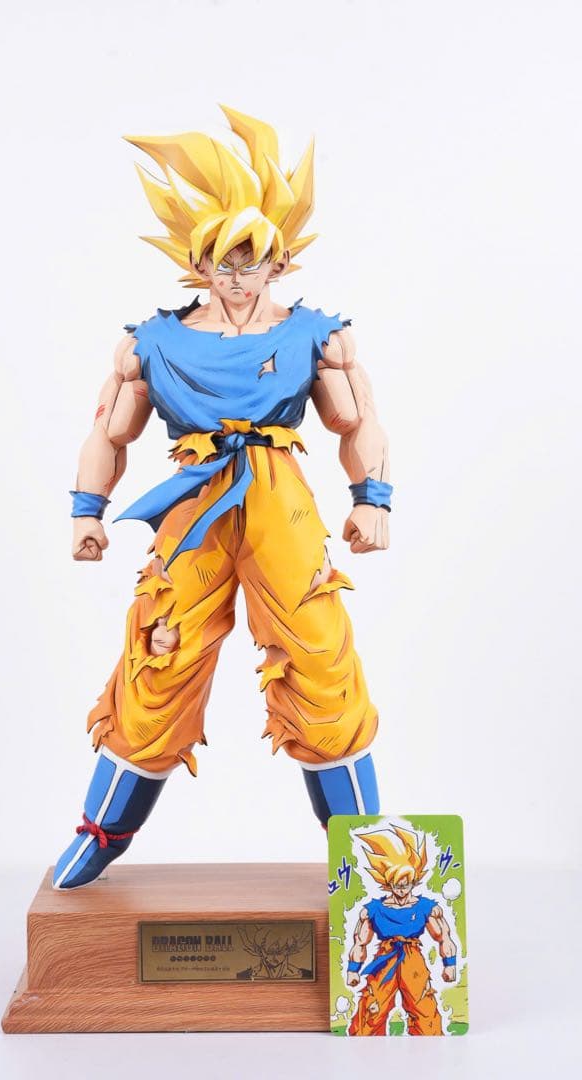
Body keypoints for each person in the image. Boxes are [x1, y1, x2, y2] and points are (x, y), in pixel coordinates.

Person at [53, 106, 392, 890]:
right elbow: (109, 430)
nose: (238, 274)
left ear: (279, 262)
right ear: (197, 262)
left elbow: (358, 419)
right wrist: (86, 511)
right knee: (160, 653)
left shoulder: (315, 335)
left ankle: (366, 857)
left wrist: (372, 497)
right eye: (223, 259)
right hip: (194, 501)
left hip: (280, 502)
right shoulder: (152, 342)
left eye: (253, 258)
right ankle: (102, 832)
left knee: (320, 656)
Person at [346, 826, 458, 1036]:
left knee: (424, 1009)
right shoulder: (374, 910)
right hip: (384, 959)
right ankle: (363, 1045)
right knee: (372, 1008)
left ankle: (430, 1046)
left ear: (413, 881)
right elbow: (360, 941)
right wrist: (353, 969)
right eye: (397, 884)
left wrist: (450, 965)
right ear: (388, 883)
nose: (401, 888)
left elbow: (444, 936)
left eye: (406, 884)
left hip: (412, 960)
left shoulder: (425, 907)